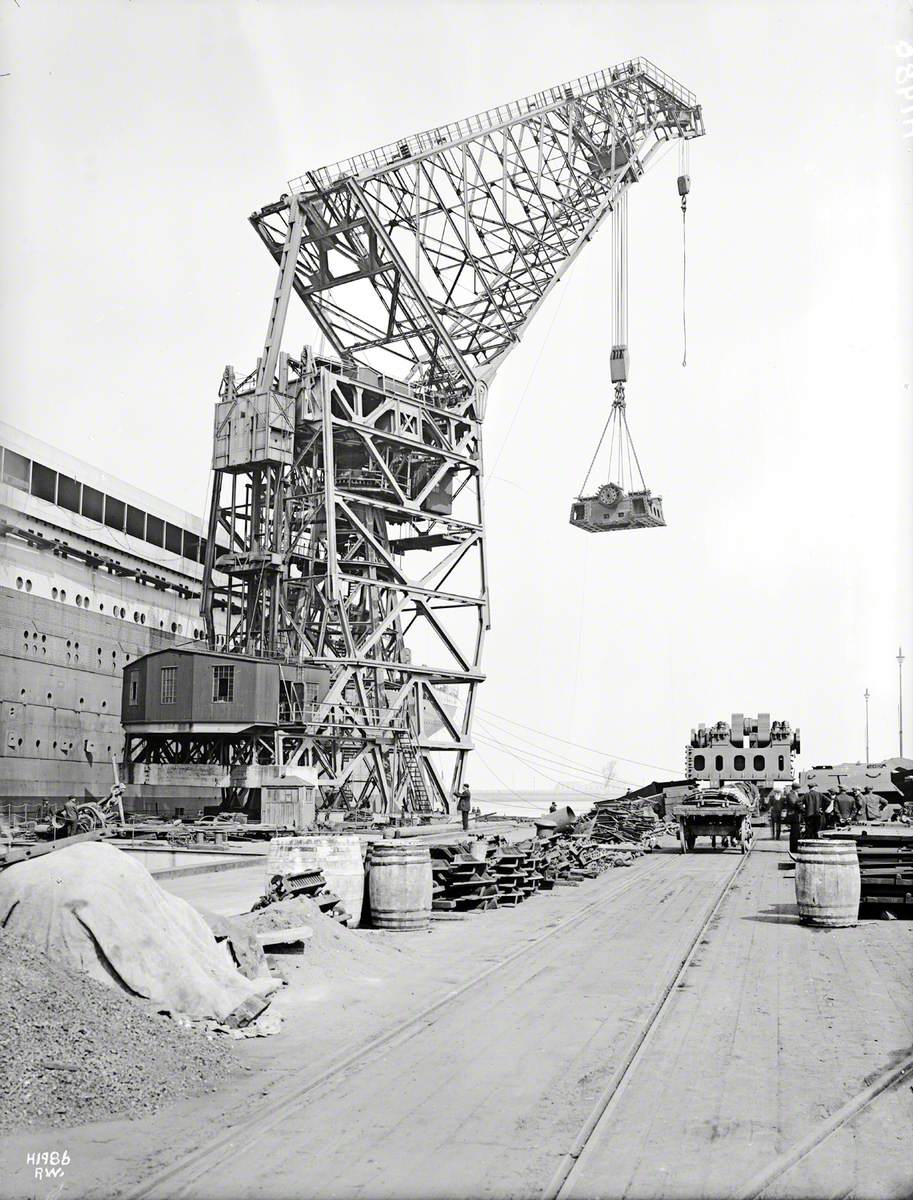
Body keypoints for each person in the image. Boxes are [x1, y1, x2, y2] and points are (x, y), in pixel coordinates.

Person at [787, 787, 804, 854]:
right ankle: (793, 849)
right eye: (798, 788)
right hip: (793, 816)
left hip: (796, 816)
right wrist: (802, 805)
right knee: (794, 833)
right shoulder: (790, 794)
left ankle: (795, 847)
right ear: (796, 788)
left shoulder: (794, 794)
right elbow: (794, 803)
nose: (799, 789)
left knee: (796, 833)